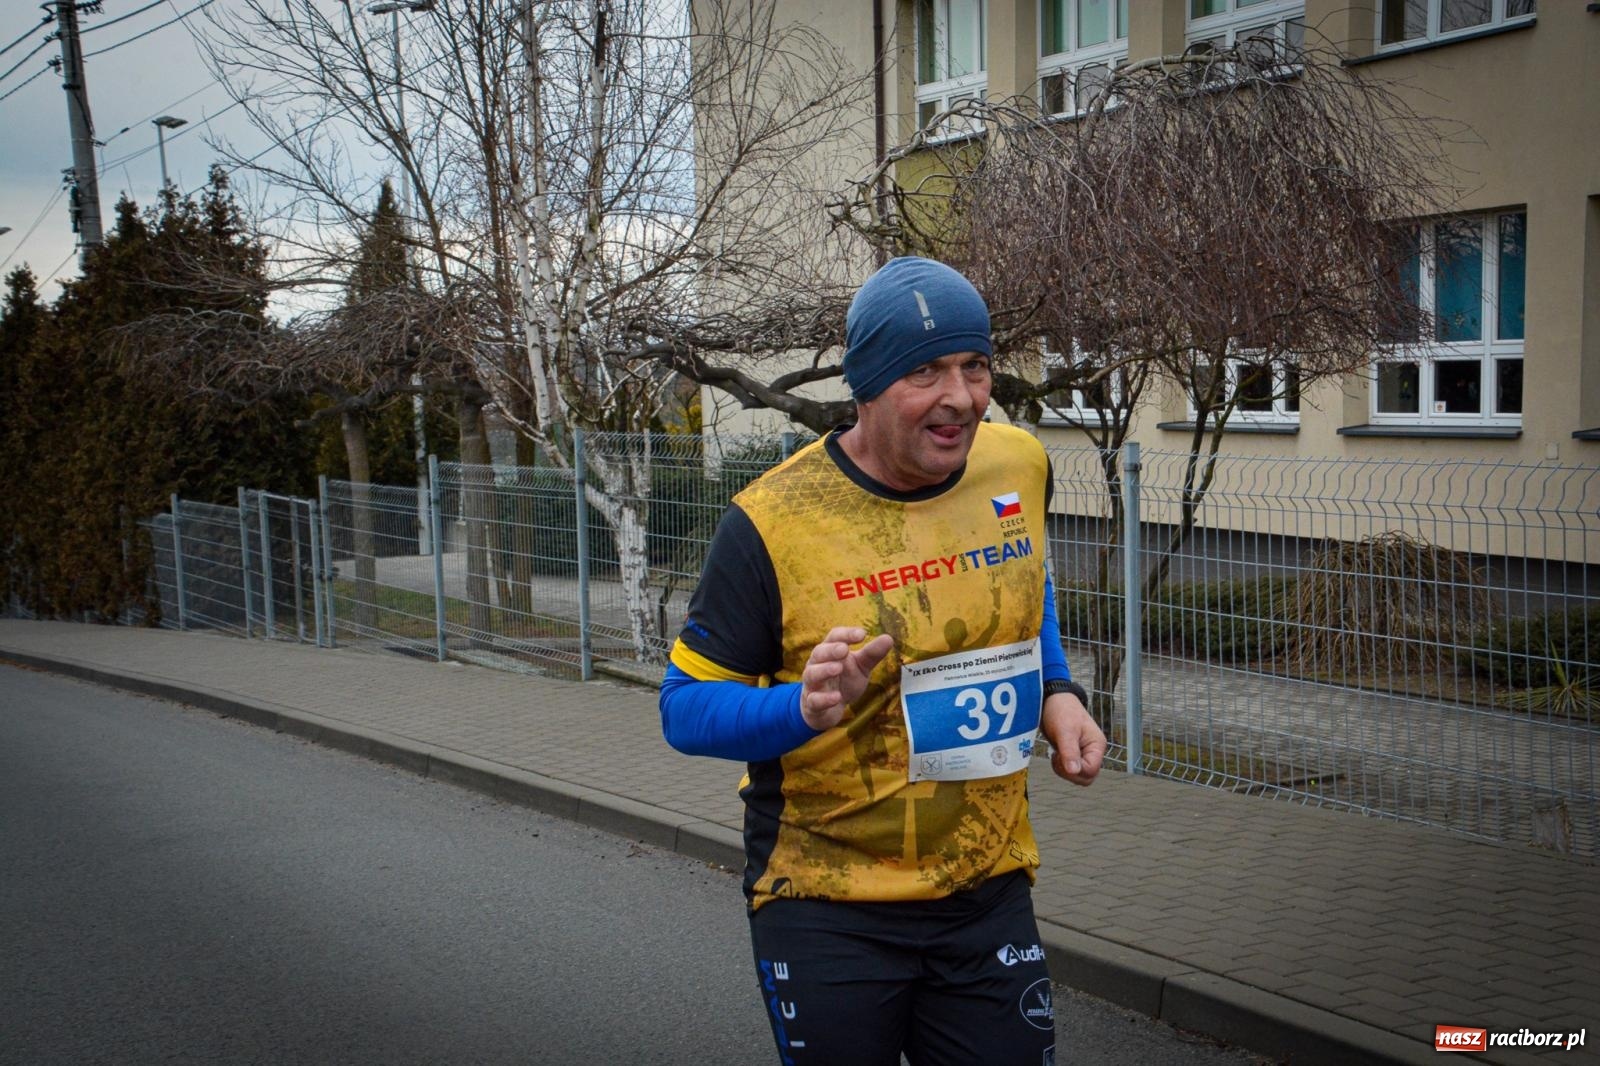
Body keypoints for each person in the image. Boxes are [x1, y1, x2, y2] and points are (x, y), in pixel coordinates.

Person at [660, 256, 1107, 1066]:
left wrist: (1056, 689)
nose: (961, 397)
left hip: (987, 884)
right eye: (924, 371)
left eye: (975, 366)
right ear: (865, 387)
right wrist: (800, 707)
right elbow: (682, 710)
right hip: (828, 900)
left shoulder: (1019, 462)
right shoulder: (770, 523)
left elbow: (1024, 575)